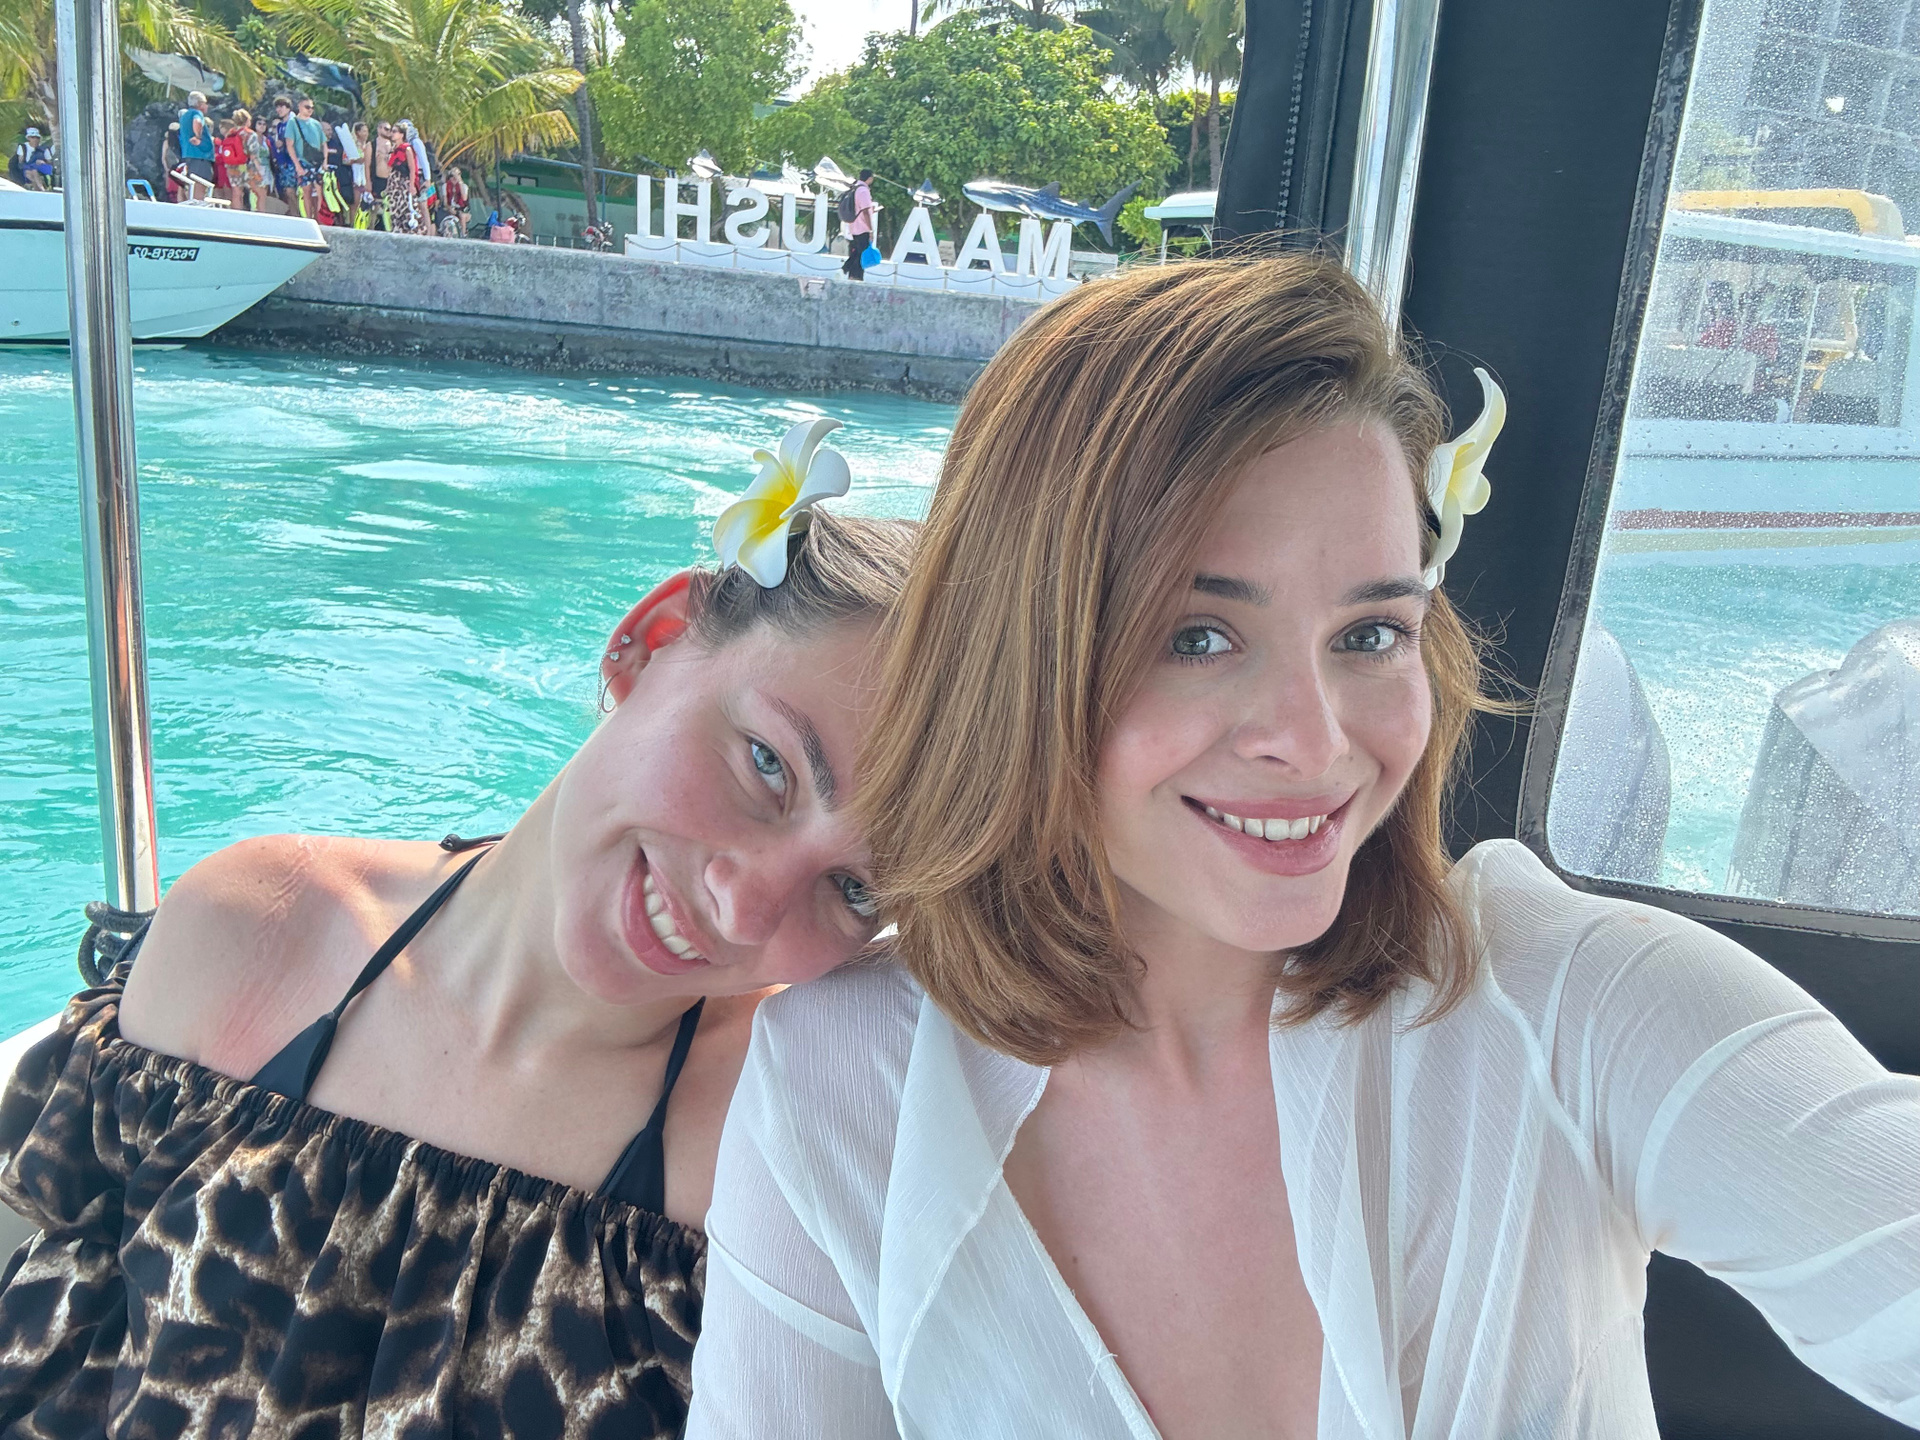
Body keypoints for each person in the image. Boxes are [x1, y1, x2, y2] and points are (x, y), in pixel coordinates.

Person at [685, 255, 1920, 1437]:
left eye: (1369, 634)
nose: (1316, 741)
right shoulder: (837, 1087)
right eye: (1198, 637)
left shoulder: (1575, 1005)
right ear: (1022, 660)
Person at [0, 444, 917, 1437]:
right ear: (654, 642)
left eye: (854, 888)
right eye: (768, 764)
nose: (744, 909)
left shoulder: (778, 1153)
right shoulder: (254, 933)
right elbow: (57, 1336)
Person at [289, 95, 329, 218]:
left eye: (312, 107)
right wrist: (297, 165)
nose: (310, 110)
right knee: (306, 191)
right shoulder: (293, 123)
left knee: (319, 192)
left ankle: (319, 218)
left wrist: (325, 161)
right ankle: (308, 218)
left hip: (317, 162)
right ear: (300, 107)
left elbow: (324, 144)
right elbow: (289, 145)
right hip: (303, 161)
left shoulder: (316, 124)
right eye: (307, 107)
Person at [178, 90, 215, 196]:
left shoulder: (185, 115)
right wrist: (198, 137)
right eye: (205, 103)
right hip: (200, 156)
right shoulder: (197, 113)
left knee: (193, 186)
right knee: (200, 186)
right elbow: (197, 121)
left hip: (189, 155)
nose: (207, 106)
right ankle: (198, 204)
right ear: (200, 104)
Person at [841, 168, 875, 282]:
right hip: (862, 227)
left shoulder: (855, 188)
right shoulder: (864, 191)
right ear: (869, 178)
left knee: (857, 251)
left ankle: (849, 270)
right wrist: (870, 229)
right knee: (861, 253)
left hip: (854, 225)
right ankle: (854, 274)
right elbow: (865, 211)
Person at [268, 95, 301, 208]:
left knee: (292, 191)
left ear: (288, 108)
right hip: (283, 163)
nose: (278, 110)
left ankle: (299, 214)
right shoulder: (280, 125)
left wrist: (284, 143)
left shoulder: (294, 123)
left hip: (293, 162)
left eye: (281, 107)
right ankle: (293, 213)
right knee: (287, 192)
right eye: (277, 107)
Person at [215, 111, 251, 210]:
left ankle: (234, 210)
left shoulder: (230, 138)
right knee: (236, 192)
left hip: (229, 166)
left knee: (234, 192)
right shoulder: (243, 134)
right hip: (237, 165)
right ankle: (236, 210)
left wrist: (217, 157)